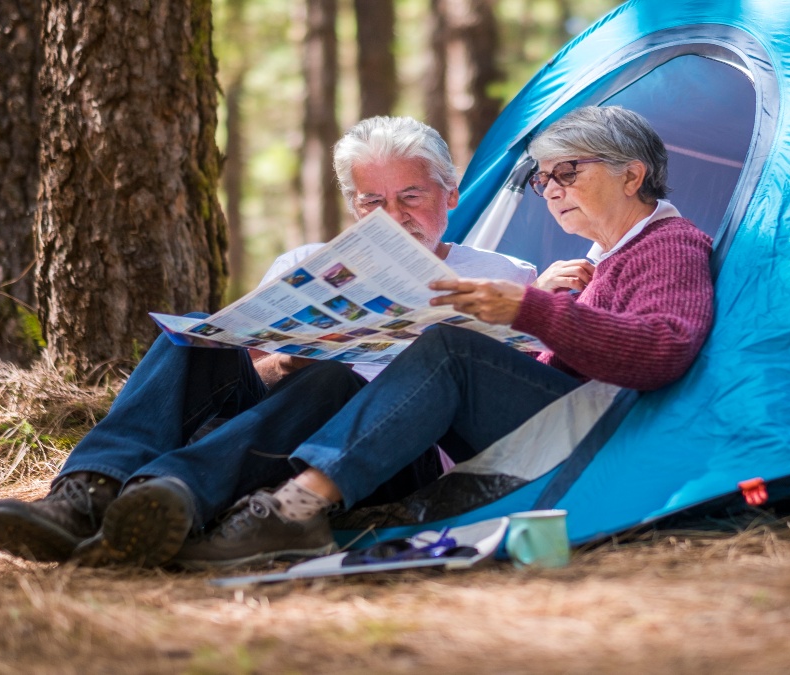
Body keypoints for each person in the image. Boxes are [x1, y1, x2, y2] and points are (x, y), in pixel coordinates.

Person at [170, 105, 717, 569]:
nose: (551, 190)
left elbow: (663, 350)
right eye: (543, 178)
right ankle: (215, 497)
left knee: (448, 346)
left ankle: (295, 508)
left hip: (599, 441)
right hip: (562, 429)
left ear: (632, 175)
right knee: (415, 351)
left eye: (568, 171)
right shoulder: (605, 256)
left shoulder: (667, 244)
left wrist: (532, 310)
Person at [0, 116, 535, 567]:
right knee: (196, 337)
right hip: (273, 432)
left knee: (336, 379)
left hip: (380, 458)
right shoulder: (304, 264)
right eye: (372, 201)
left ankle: (169, 493)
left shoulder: (505, 275)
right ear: (353, 205)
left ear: (452, 193)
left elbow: (499, 395)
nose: (394, 216)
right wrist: (284, 360)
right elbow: (248, 378)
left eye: (411, 196)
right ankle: (88, 493)